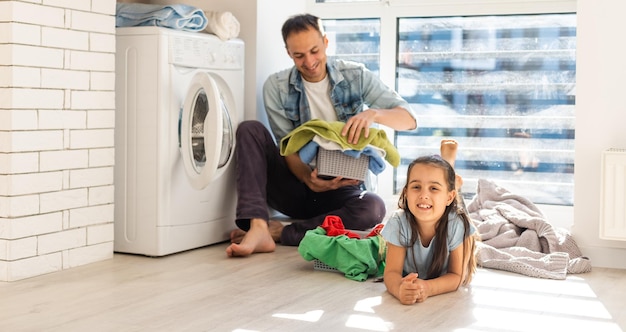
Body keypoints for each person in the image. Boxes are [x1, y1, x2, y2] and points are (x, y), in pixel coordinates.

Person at [226, 13, 417, 257]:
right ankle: (259, 226)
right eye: (299, 55)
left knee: (373, 208)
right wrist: (308, 179)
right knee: (249, 129)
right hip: (295, 184)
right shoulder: (276, 86)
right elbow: (289, 149)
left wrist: (374, 115)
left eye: (315, 50)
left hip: (341, 190)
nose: (309, 61)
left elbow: (409, 119)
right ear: (288, 53)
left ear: (326, 42)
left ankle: (283, 233)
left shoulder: (355, 76)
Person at [381, 140, 478, 304]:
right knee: (439, 193)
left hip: (451, 213)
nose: (423, 195)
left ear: (449, 196)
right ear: (406, 193)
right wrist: (399, 289)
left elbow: (455, 277)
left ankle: (450, 171)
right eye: (416, 187)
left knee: (460, 212)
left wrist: (427, 287)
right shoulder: (399, 221)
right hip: (441, 203)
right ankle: (448, 177)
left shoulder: (455, 224)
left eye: (433, 188)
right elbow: (391, 273)